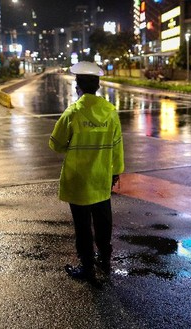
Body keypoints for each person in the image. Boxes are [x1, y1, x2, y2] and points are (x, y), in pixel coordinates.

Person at [49, 61, 125, 282]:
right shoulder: (110, 113)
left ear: (78, 86)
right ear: (98, 86)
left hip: (78, 180)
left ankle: (87, 267)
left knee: (83, 227)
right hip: (102, 178)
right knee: (103, 223)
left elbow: (55, 144)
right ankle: (105, 261)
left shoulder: (73, 113)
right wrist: (115, 172)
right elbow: (117, 146)